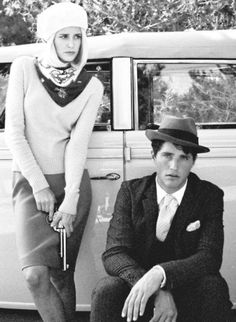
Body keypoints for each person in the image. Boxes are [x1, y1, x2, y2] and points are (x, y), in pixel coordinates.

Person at [5, 2, 103, 322]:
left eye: (78, 37)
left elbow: (77, 146)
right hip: (31, 186)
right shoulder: (23, 68)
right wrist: (40, 186)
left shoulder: (91, 86)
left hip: (70, 189)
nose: (72, 45)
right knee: (35, 275)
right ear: (49, 38)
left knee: (62, 274)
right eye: (64, 37)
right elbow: (15, 134)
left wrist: (70, 199)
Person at [91, 115, 233, 322]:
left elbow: (209, 257)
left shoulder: (209, 195)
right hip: (138, 289)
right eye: (167, 155)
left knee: (213, 287)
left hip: (186, 289)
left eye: (184, 157)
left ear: (193, 161)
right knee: (106, 289)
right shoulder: (131, 191)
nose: (174, 166)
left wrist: (160, 274)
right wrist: (155, 289)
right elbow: (114, 253)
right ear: (153, 156)